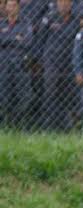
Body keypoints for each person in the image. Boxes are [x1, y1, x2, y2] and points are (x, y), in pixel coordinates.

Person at [33, 0, 79, 130]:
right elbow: (40, 39)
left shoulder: (76, 20)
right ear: (57, 3)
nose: (64, 4)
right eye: (61, 2)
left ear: (71, 4)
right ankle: (48, 125)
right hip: (51, 61)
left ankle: (65, 126)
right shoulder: (49, 18)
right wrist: (38, 60)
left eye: (67, 2)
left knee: (66, 93)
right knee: (50, 92)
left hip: (69, 62)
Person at [0, 0, 33, 128]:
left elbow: (27, 41)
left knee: (23, 96)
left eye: (14, 5)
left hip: (21, 64)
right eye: (9, 5)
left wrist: (7, 40)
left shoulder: (26, 23)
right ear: (5, 7)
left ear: (19, 7)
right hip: (3, 64)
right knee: (4, 96)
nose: (11, 8)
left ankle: (21, 126)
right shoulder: (1, 23)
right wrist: (16, 38)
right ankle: (6, 126)